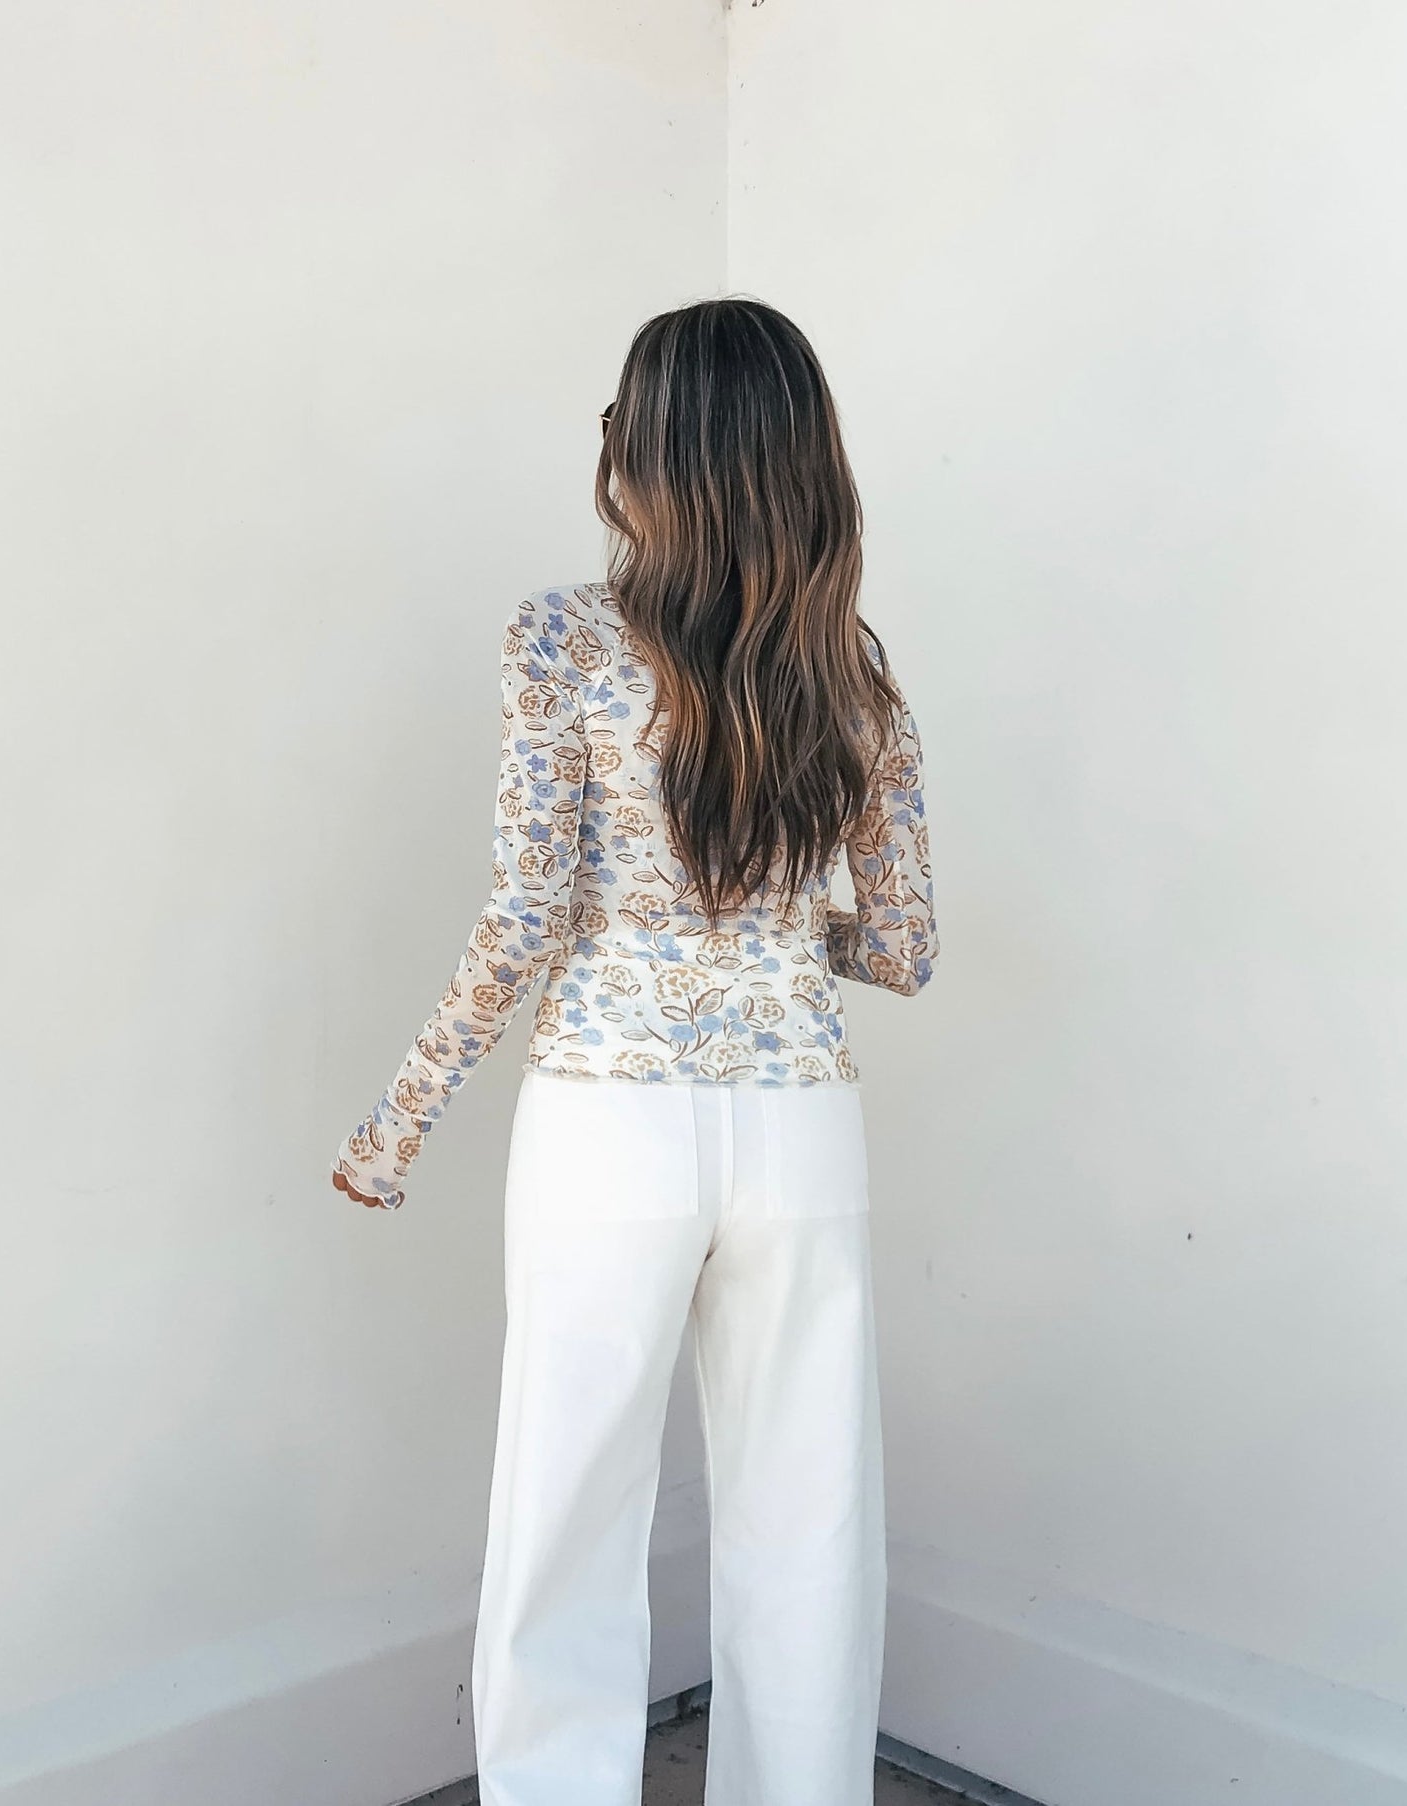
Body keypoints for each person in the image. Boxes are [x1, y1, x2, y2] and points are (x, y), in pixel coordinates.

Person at [331, 296, 937, 1806]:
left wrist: (397, 1121)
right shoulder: (853, 663)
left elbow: (531, 910)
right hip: (801, 1130)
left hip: (608, 1125)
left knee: (567, 1518)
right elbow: (908, 951)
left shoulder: (558, 635)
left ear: (633, 451)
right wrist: (784, 944)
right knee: (810, 1525)